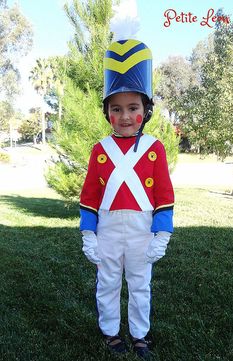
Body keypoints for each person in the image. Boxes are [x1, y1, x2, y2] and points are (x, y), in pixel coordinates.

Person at [79, 39, 174, 359]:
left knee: (139, 284)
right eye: (116, 108)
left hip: (141, 229)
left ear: (145, 111)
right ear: (106, 112)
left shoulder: (155, 147)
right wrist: (88, 232)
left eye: (133, 108)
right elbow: (90, 195)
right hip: (106, 228)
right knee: (106, 283)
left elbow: (163, 194)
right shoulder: (100, 150)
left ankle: (139, 334)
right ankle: (110, 331)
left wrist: (162, 232)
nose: (124, 116)